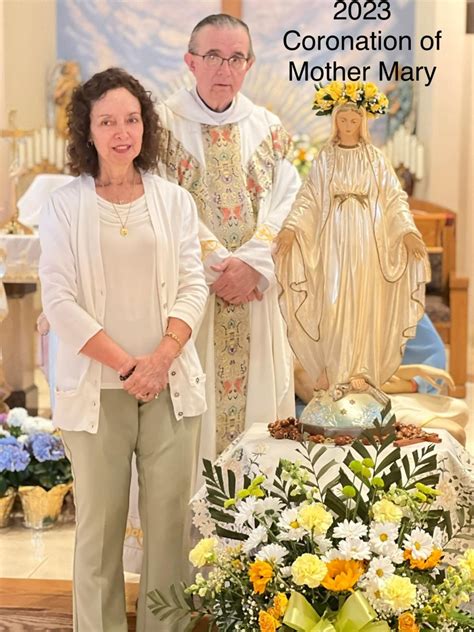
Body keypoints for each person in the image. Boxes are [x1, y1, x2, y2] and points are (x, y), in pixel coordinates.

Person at [39, 67, 208, 632]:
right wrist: (127, 365)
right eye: (107, 120)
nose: (121, 131)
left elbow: (193, 285)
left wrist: (160, 359)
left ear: (146, 126)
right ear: (87, 130)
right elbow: (59, 300)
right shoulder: (64, 205)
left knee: (167, 537)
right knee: (99, 535)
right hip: (98, 391)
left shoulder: (175, 201)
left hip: (169, 385)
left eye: (131, 119)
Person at [157, 14, 301, 458]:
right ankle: (186, 525)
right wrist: (217, 264)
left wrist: (253, 265)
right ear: (191, 61)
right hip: (192, 296)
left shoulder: (269, 128)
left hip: (255, 295)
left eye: (235, 58)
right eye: (213, 56)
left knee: (258, 417)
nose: (224, 68)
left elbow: (287, 200)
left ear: (249, 64)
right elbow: (163, 200)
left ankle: (259, 525)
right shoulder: (161, 125)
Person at [275, 82, 430, 414]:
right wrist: (290, 228)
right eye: (343, 121)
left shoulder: (374, 158)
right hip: (333, 242)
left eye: (354, 121)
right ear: (335, 122)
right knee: (333, 304)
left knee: (363, 303)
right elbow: (309, 198)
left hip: (367, 243)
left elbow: (393, 198)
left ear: (362, 123)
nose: (348, 126)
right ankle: (335, 375)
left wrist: (406, 231)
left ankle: (361, 375)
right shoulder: (326, 158)